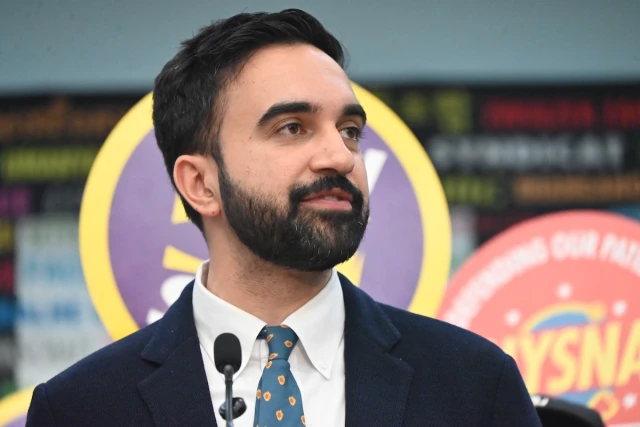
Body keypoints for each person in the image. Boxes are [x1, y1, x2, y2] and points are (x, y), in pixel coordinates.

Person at [26, 8, 542, 427]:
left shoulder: (474, 384)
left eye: (349, 130)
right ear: (200, 184)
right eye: (292, 128)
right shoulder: (80, 408)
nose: (340, 157)